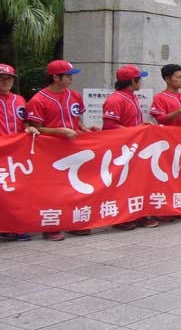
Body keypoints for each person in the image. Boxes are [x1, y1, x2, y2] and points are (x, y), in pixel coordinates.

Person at [27, 60, 98, 241]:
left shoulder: (74, 96)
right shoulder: (39, 99)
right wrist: (59, 131)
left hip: (73, 149)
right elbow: (36, 128)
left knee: (75, 185)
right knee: (53, 188)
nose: (71, 79)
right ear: (55, 77)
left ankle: (74, 221)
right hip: (50, 150)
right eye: (68, 76)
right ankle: (51, 225)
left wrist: (85, 129)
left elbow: (77, 121)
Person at [102, 65, 161, 229]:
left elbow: (127, 123)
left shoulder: (131, 97)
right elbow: (109, 125)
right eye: (139, 79)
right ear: (133, 81)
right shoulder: (116, 99)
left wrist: (140, 126)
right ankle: (122, 218)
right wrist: (134, 131)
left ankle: (138, 213)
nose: (140, 82)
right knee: (123, 184)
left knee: (137, 182)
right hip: (122, 149)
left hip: (134, 147)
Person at [0, 64, 36, 241]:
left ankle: (13, 226)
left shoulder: (20, 100)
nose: (5, 80)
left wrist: (29, 129)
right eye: (2, 77)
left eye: (9, 78)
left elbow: (26, 123)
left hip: (16, 153)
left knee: (14, 190)